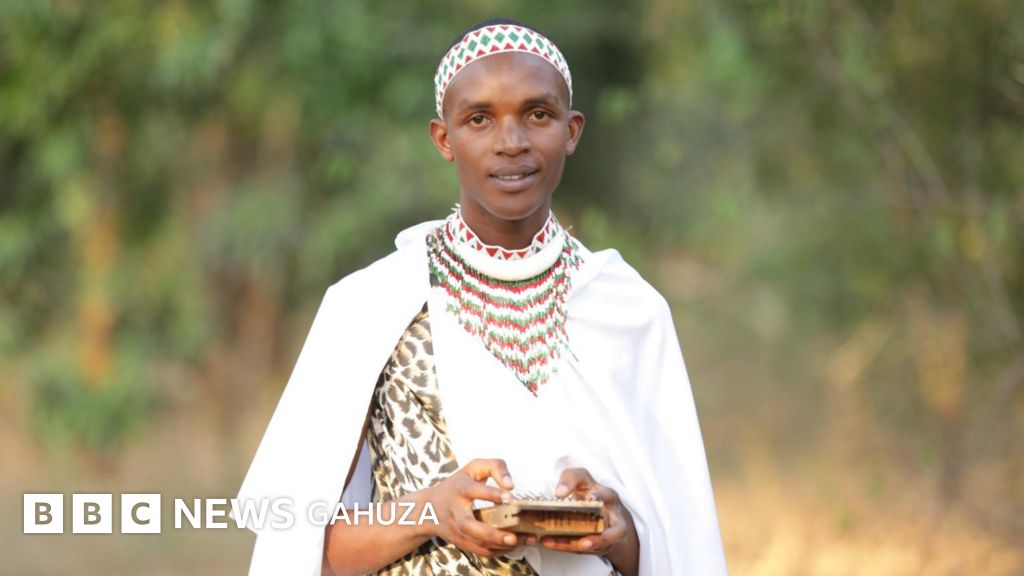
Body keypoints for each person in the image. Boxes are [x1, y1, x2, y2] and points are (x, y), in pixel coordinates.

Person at [236, 17, 727, 576]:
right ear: (444, 139)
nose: (511, 143)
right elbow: (297, 549)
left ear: (571, 131)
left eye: (537, 114)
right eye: (479, 119)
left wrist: (616, 534)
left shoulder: (628, 309)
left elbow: (683, 553)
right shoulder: (369, 306)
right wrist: (431, 511)